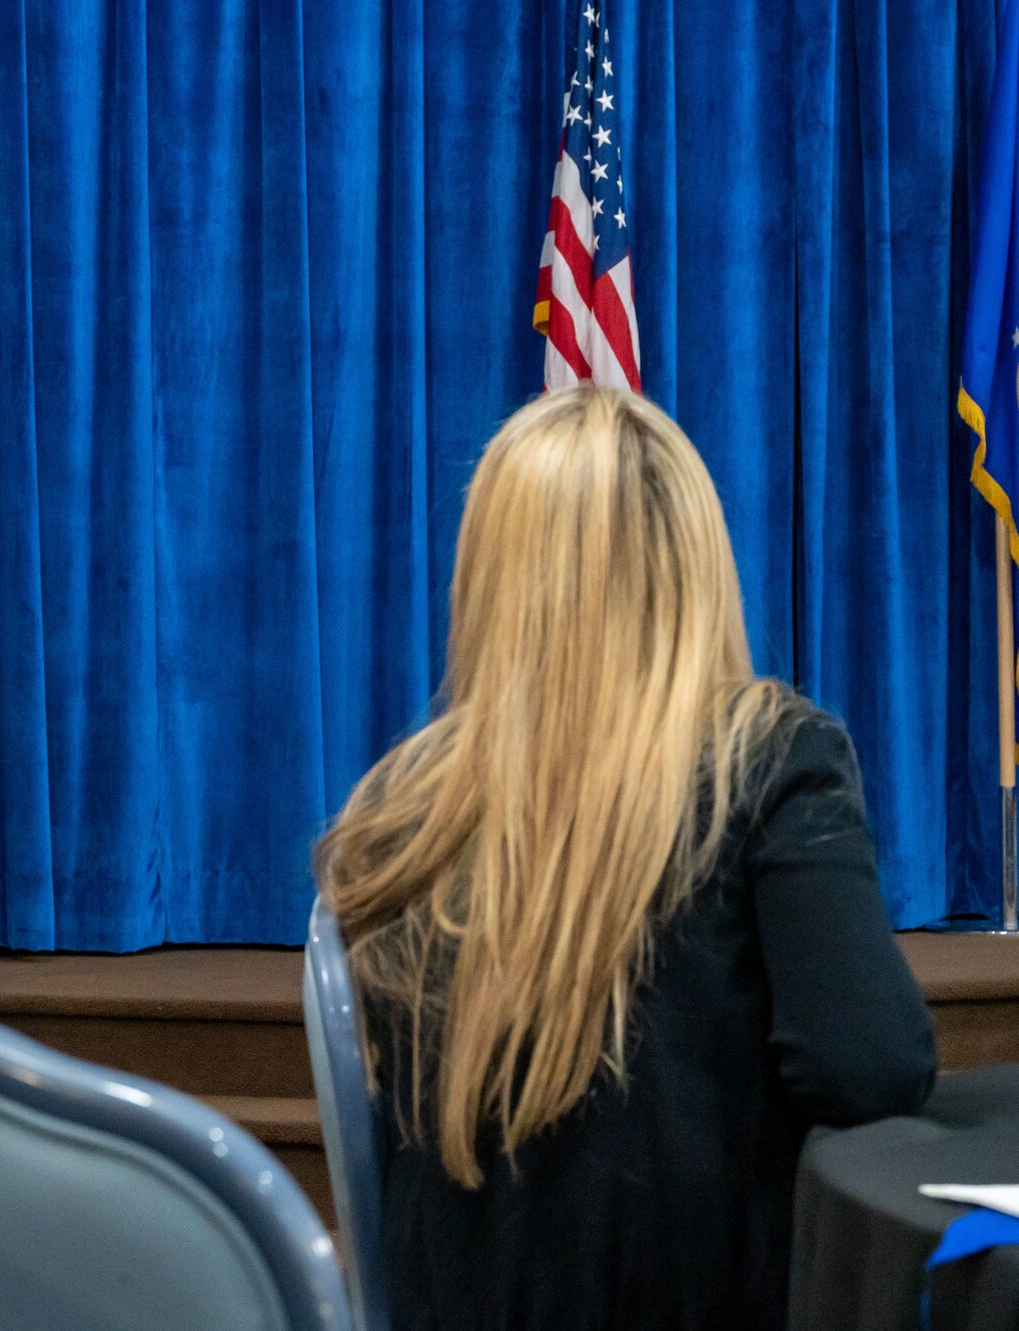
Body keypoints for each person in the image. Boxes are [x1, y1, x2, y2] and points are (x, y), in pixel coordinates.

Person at [314, 386, 935, 1330]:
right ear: (696, 566)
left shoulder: (399, 813)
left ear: (491, 579)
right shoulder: (766, 760)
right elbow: (874, 1068)